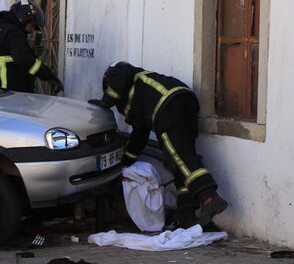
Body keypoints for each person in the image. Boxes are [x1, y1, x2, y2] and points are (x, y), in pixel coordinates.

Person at [89, 61, 229, 227]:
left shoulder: (120, 72)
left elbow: (123, 73)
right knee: (181, 160)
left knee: (180, 158)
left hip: (168, 106)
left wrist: (105, 101)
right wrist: (126, 161)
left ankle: (209, 198)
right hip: (185, 101)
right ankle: (186, 215)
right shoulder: (141, 98)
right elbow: (139, 135)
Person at [0, 0, 62, 94]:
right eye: (32, 25)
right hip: (10, 91)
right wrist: (49, 77)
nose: (32, 30)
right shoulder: (13, 32)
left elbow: (9, 55)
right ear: (24, 18)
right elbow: (24, 60)